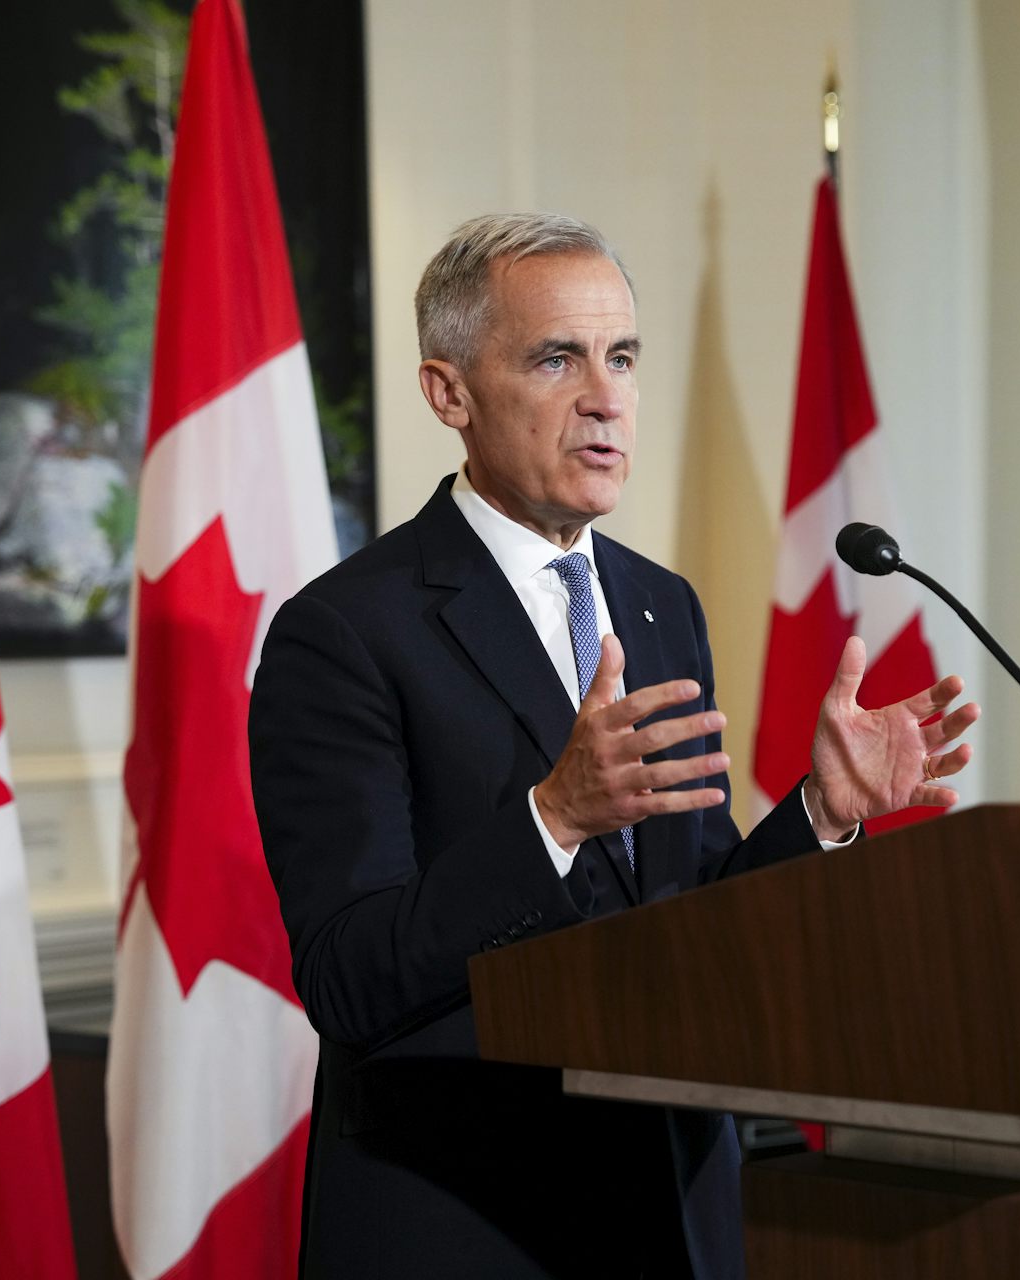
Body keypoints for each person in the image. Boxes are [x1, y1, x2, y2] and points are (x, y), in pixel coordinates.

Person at [249, 213, 978, 1279]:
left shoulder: (655, 603)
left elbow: (690, 914)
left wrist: (820, 812)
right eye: (557, 358)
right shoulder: (348, 632)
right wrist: (552, 818)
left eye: (622, 355)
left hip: (669, 1209)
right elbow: (350, 976)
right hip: (469, 1222)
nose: (606, 395)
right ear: (449, 393)